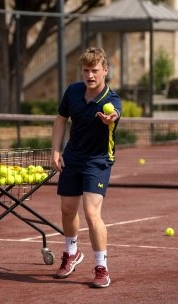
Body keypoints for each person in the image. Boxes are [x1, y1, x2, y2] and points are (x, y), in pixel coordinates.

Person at [51, 47, 121, 288]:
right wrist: (56, 150)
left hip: (98, 160)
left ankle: (101, 267)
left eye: (94, 70)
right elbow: (61, 119)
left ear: (105, 70)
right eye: (86, 70)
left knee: (92, 213)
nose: (90, 75)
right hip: (73, 157)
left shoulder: (111, 100)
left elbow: (116, 114)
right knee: (68, 209)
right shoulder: (72, 92)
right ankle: (72, 253)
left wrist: (110, 118)